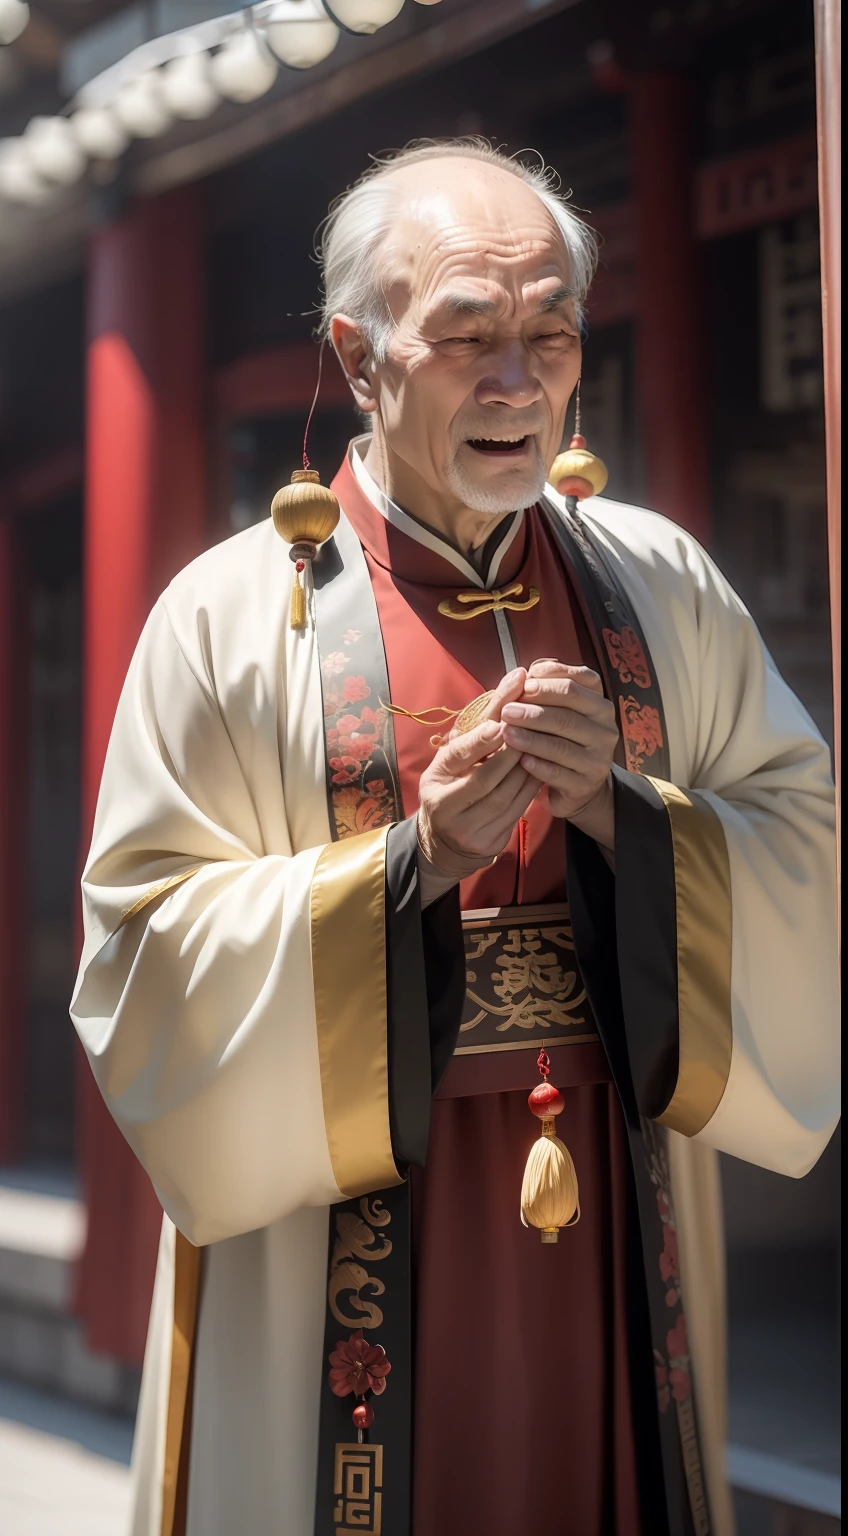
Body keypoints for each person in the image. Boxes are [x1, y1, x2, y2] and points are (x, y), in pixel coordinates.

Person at [71, 140, 839, 1536]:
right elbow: (141, 957)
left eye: (551, 333)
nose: (518, 380)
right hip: (348, 1213)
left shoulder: (661, 584)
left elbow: (807, 847)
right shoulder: (232, 618)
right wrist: (412, 861)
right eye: (466, 338)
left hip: (616, 1180)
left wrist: (626, 810)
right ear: (358, 360)